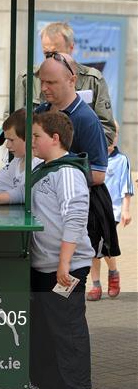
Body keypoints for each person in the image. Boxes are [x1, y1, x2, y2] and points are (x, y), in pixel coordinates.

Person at [3, 111, 95, 389]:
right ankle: (53, 388)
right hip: (46, 266)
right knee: (45, 330)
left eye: (37, 136)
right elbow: (20, 194)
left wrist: (64, 264)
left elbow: (75, 216)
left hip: (65, 268)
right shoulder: (44, 169)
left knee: (68, 332)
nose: (33, 142)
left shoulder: (67, 172)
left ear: (55, 139)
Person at [35, 52, 120, 263]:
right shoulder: (40, 111)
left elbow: (99, 174)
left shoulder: (86, 119)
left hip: (73, 219)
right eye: (42, 81)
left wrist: (60, 172)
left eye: (51, 83)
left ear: (72, 80)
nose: (44, 88)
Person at [16, 21, 115, 146]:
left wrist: (72, 152)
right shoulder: (28, 79)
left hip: (78, 159)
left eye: (56, 54)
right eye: (47, 54)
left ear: (71, 48)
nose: (51, 59)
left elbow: (107, 130)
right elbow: (13, 125)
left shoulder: (92, 80)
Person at [87, 120, 134, 301]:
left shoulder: (122, 160)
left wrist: (126, 210)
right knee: (92, 246)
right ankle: (96, 285)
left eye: (114, 135)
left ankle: (113, 273)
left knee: (104, 245)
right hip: (93, 207)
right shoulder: (93, 158)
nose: (110, 139)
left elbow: (126, 187)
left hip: (111, 211)